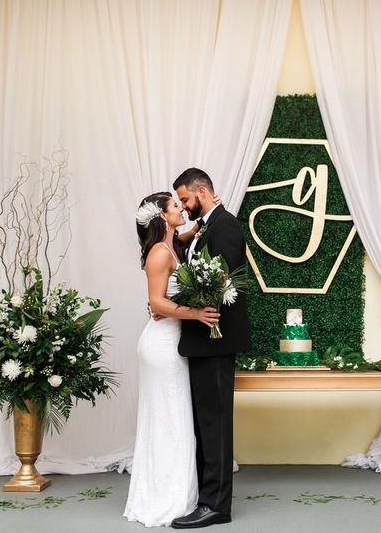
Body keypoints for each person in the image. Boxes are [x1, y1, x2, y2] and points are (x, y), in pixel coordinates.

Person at [124, 192, 219, 528]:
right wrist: (197, 313)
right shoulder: (160, 252)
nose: (183, 208)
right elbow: (157, 302)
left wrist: (209, 214)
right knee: (168, 418)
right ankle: (163, 499)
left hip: (171, 342)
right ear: (163, 216)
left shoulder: (172, 244)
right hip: (161, 345)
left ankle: (176, 493)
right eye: (176, 206)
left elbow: (188, 233)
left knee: (175, 417)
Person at [171, 168, 251, 529]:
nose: (184, 206)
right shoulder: (206, 226)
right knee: (205, 423)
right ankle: (206, 498)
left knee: (215, 424)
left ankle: (216, 505)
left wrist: (173, 304)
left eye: (186, 199)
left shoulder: (226, 226)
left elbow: (222, 283)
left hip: (216, 340)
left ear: (202, 191)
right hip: (202, 340)